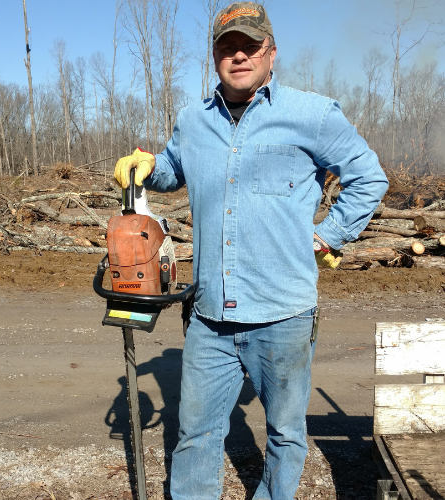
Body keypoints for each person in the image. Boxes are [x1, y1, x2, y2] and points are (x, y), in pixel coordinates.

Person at [114, 2, 388, 498]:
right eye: (227, 47)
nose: (238, 55)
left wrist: (331, 232)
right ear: (214, 56)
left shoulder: (312, 114)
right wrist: (145, 167)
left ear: (271, 52)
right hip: (209, 317)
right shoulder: (193, 120)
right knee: (195, 436)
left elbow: (368, 176)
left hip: (283, 313)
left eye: (250, 46)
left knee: (285, 434)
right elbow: (174, 170)